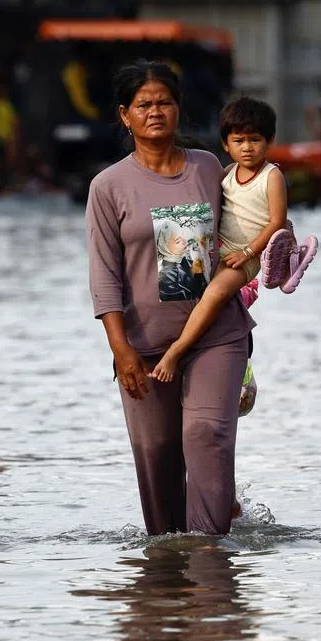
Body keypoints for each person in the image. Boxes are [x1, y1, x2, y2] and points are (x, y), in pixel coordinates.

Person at [86, 60, 255, 536]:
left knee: (206, 436)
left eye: (164, 102)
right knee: (158, 460)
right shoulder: (108, 187)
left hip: (216, 335)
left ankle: (209, 553)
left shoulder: (207, 168)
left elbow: (246, 230)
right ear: (125, 115)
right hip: (144, 344)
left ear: (178, 109)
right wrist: (121, 351)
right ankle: (164, 583)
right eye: (144, 105)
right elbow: (103, 277)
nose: (155, 112)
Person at [149, 97, 318, 382]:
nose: (247, 147)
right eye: (239, 140)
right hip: (220, 247)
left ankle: (176, 351)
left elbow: (276, 220)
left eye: (255, 140)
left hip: (248, 255)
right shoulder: (227, 173)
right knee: (179, 278)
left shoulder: (271, 176)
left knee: (215, 293)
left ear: (270, 140)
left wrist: (249, 253)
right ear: (226, 144)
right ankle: (174, 337)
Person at [0, 80, 19, 195]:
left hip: (7, 138)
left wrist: (13, 137)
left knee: (7, 163)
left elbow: (14, 122)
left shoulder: (7, 106)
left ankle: (8, 185)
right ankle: (1, 186)